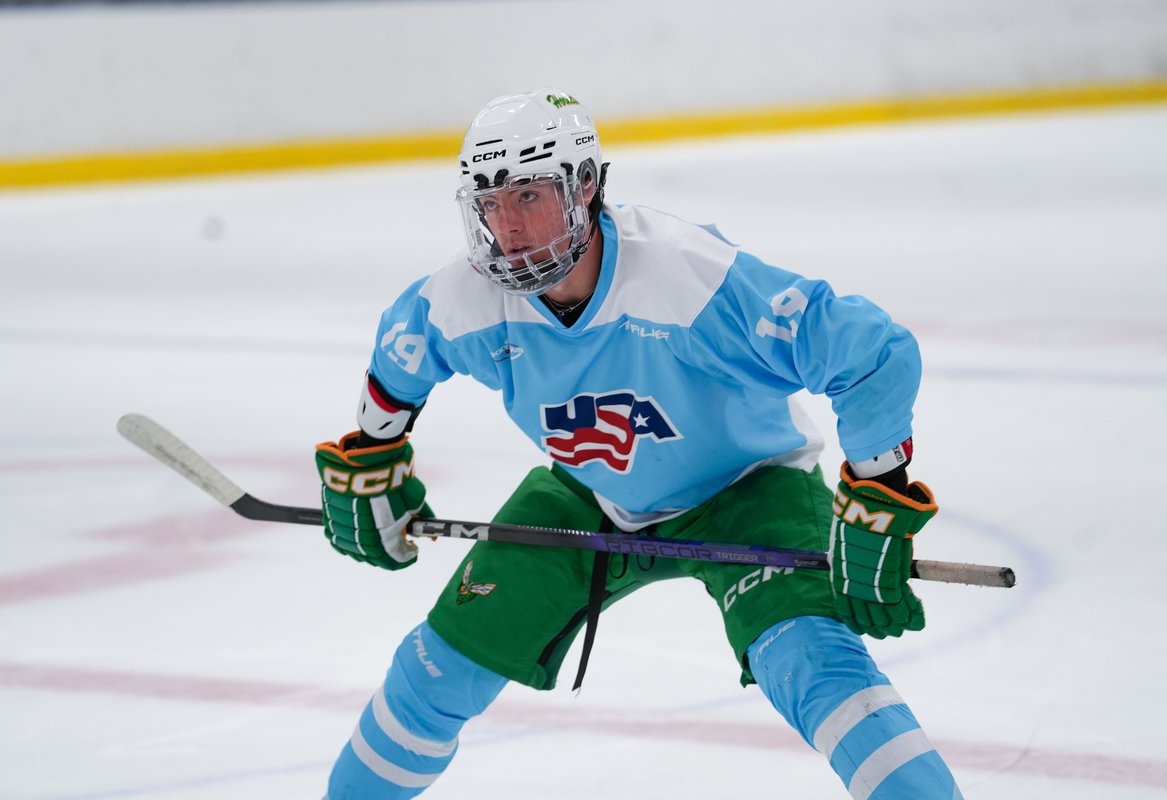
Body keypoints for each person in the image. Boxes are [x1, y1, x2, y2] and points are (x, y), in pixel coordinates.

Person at [314, 88, 963, 799]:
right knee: (432, 670)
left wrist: (877, 495)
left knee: (813, 663)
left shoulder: (692, 278)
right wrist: (371, 459)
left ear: (586, 187)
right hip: (591, 494)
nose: (508, 228)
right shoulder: (463, 298)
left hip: (747, 490)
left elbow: (871, 351)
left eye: (528, 196)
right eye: (491, 204)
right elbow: (397, 364)